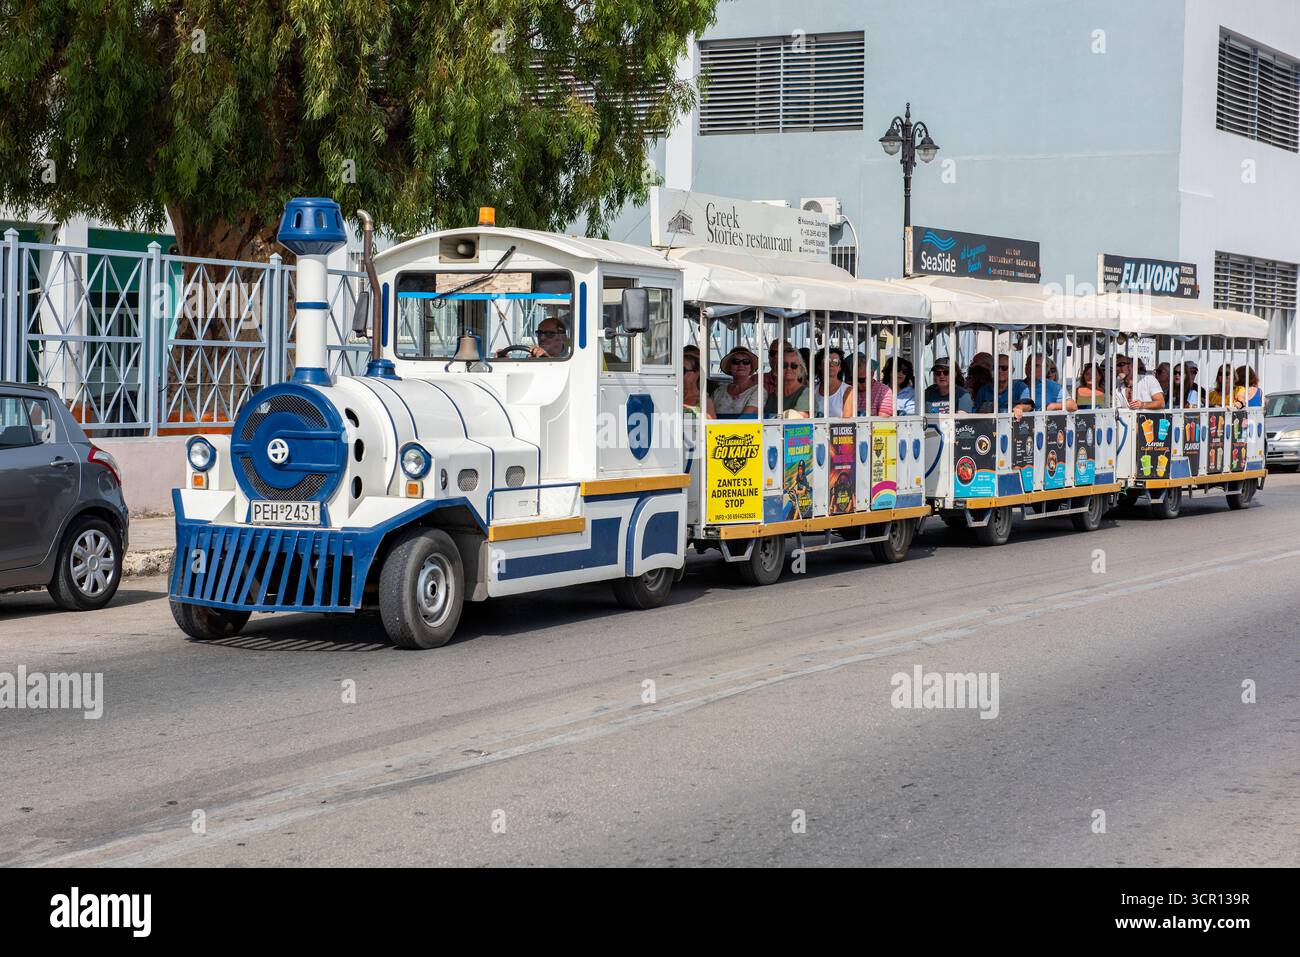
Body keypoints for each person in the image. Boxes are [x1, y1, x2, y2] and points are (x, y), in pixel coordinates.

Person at [764, 348, 811, 418]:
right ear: (777, 368)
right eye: (784, 365)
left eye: (794, 365)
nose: (789, 368)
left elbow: (801, 418)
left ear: (800, 369)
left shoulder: (806, 393)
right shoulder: (771, 396)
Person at [713, 347, 760, 417]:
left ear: (751, 367)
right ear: (729, 367)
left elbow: (746, 418)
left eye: (746, 362)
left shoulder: (758, 391)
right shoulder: (719, 391)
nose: (741, 365)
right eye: (735, 362)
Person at [813, 347, 851, 417]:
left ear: (840, 367)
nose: (831, 365)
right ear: (819, 366)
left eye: (836, 362)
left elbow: (847, 422)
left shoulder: (848, 391)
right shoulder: (812, 390)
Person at [683, 353, 715, 417]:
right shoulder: (672, 396)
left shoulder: (704, 401)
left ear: (697, 374)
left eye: (683, 370)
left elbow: (711, 426)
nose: (678, 375)